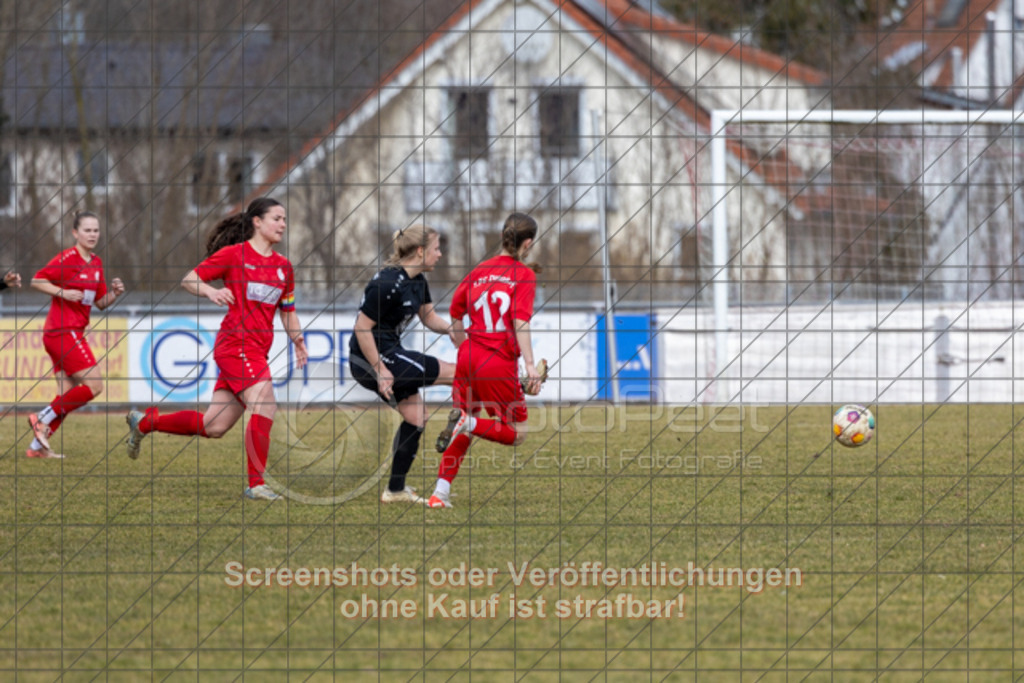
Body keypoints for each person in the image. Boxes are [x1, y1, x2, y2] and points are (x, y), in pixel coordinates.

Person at [124, 197, 308, 501]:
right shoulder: (234, 256)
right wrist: (211, 290)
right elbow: (190, 279)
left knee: (214, 425)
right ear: (257, 222)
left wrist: (297, 340)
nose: (283, 225)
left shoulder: (283, 268)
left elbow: (288, 311)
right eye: (277, 218)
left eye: (285, 219)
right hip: (236, 344)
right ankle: (255, 484)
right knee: (266, 404)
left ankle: (146, 422)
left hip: (255, 351)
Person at [427, 212, 544, 509]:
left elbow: (455, 313)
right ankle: (469, 423)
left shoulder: (479, 271)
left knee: (461, 425)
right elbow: (519, 322)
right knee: (516, 433)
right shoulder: (524, 275)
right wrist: (530, 366)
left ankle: (439, 494)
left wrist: (465, 347)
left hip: (468, 358)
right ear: (527, 243)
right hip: (496, 362)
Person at [349, 224, 456, 504]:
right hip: (369, 359)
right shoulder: (386, 283)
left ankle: (395, 491)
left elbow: (429, 317)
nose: (440, 254)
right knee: (454, 372)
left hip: (391, 352)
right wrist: (381, 371)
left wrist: (452, 329)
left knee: (417, 417)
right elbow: (362, 329)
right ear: (420, 251)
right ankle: (501, 393)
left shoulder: (418, 279)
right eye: (436, 249)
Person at [26, 212, 125, 459]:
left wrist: (114, 293)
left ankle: (37, 449)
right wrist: (62, 292)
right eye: (87, 230)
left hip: (67, 332)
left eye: (96, 230)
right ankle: (42, 418)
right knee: (95, 386)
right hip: (62, 331)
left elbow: (100, 302)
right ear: (75, 233)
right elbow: (36, 280)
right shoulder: (67, 259)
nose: (92, 235)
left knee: (67, 395)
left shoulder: (96, 263)